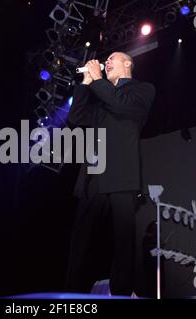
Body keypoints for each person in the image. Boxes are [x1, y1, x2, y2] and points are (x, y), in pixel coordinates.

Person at [65, 52, 155, 296]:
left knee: (123, 241)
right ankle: (73, 295)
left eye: (112, 58)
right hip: (94, 174)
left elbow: (120, 103)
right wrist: (86, 84)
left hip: (122, 175)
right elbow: (76, 117)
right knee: (81, 240)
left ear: (128, 63)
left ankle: (122, 293)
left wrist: (97, 81)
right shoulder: (103, 100)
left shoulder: (142, 90)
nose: (107, 62)